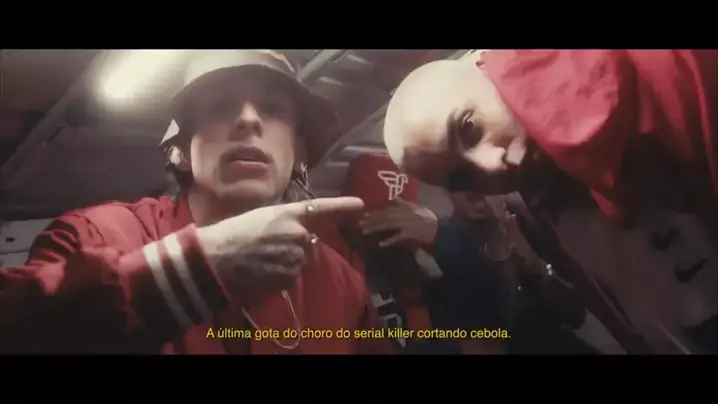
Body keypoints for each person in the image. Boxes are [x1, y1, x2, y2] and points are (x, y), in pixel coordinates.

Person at [0, 50, 389, 354]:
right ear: (181, 151)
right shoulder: (96, 237)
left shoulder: (340, 283)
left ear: (299, 153)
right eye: (220, 107)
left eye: (273, 109)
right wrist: (192, 270)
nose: (248, 120)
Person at [383, 50, 718, 226]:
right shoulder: (562, 198)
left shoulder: (667, 65)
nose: (492, 165)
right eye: (464, 177)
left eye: (469, 127)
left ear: (484, 67)